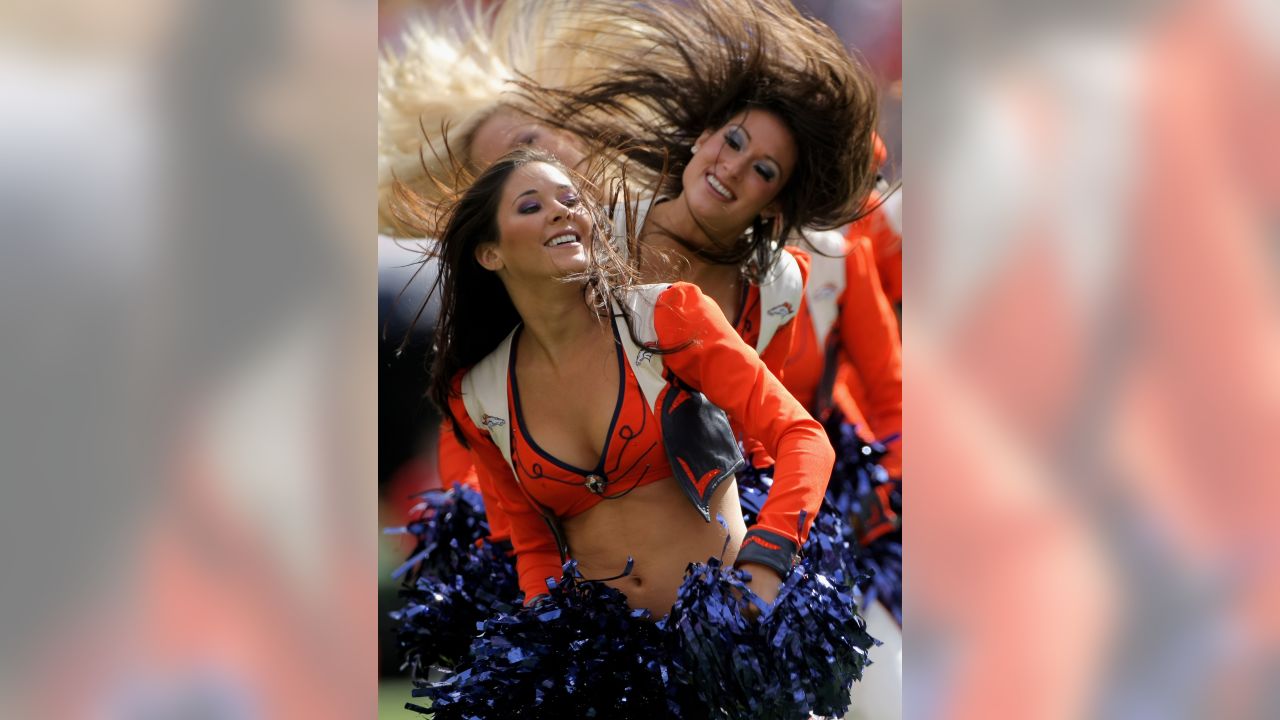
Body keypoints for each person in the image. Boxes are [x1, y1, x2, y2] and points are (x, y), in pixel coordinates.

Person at [395, 149, 871, 718]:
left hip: (728, 647)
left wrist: (765, 566)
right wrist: (548, 646)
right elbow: (531, 543)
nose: (561, 213)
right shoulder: (477, 393)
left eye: (571, 201)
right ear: (489, 253)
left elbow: (802, 437)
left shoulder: (668, 316)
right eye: (532, 205)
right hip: (609, 677)